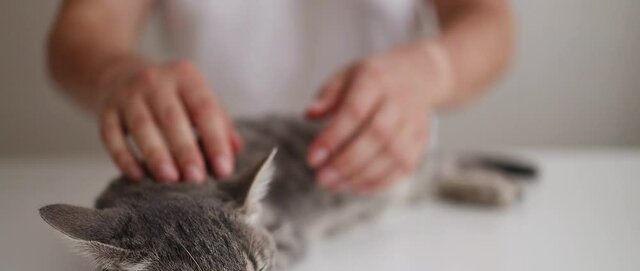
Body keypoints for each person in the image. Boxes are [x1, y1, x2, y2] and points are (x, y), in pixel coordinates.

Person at [48, 0, 513, 193]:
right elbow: (82, 28)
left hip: (388, 193)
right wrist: (117, 75)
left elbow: (489, 21)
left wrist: (432, 70)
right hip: (212, 194)